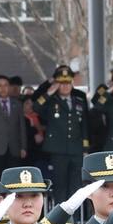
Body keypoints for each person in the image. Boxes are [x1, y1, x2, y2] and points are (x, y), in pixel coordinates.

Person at [34, 65, 90, 198]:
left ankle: (75, 212)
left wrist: (85, 148)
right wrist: (49, 92)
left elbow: (84, 126)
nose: (65, 86)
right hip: (58, 150)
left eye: (68, 83)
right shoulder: (51, 101)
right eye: (62, 83)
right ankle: (60, 212)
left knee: (76, 186)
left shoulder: (79, 101)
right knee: (60, 185)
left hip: (76, 149)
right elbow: (36, 107)